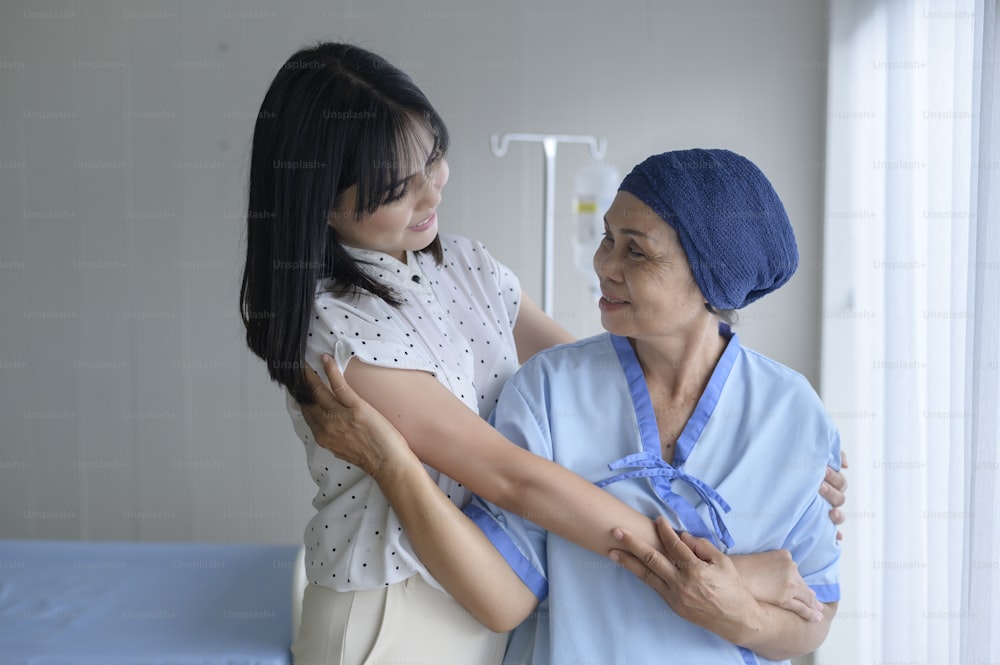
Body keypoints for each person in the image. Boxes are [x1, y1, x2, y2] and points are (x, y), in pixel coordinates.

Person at [240, 41, 846, 665]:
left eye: (434, 159)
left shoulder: (464, 266)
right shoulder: (339, 330)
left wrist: (798, 459)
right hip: (396, 609)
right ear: (322, 200)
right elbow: (508, 474)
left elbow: (604, 382)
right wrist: (731, 577)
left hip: (488, 614)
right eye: (398, 186)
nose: (430, 195)